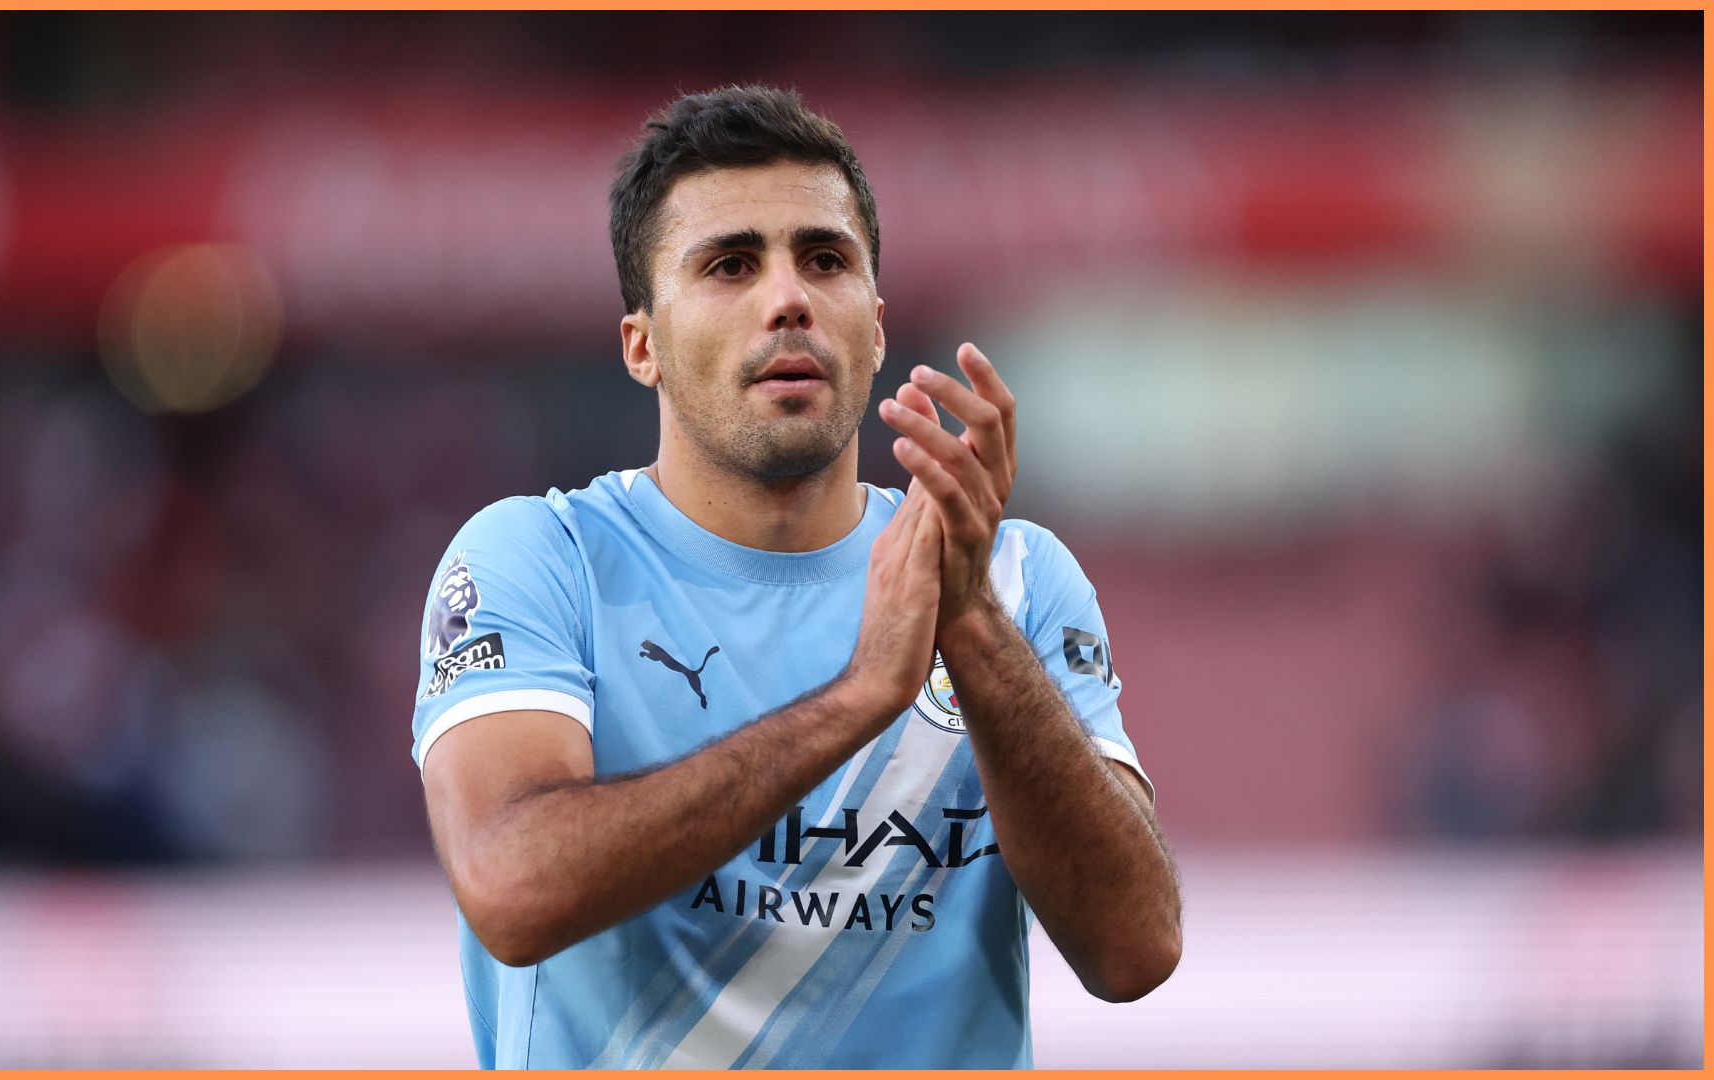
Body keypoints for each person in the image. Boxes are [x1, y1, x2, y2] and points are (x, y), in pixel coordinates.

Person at [411, 84, 1181, 1069]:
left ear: (874, 323)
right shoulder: (539, 561)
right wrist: (858, 700)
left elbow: (1135, 951)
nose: (789, 297)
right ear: (641, 345)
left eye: (825, 260)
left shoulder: (1017, 578)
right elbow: (512, 889)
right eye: (731, 265)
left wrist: (974, 625)